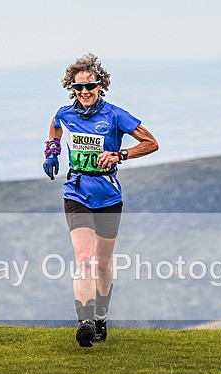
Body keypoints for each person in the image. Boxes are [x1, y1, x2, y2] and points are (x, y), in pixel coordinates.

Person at [43, 53, 159, 348]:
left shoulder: (115, 115)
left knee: (103, 264)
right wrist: (52, 150)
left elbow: (151, 143)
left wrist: (120, 154)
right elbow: (56, 124)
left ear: (100, 86)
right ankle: (85, 321)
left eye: (90, 86)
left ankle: (102, 317)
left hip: (108, 196)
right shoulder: (65, 113)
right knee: (84, 260)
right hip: (76, 192)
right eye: (78, 87)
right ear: (72, 88)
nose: (84, 92)